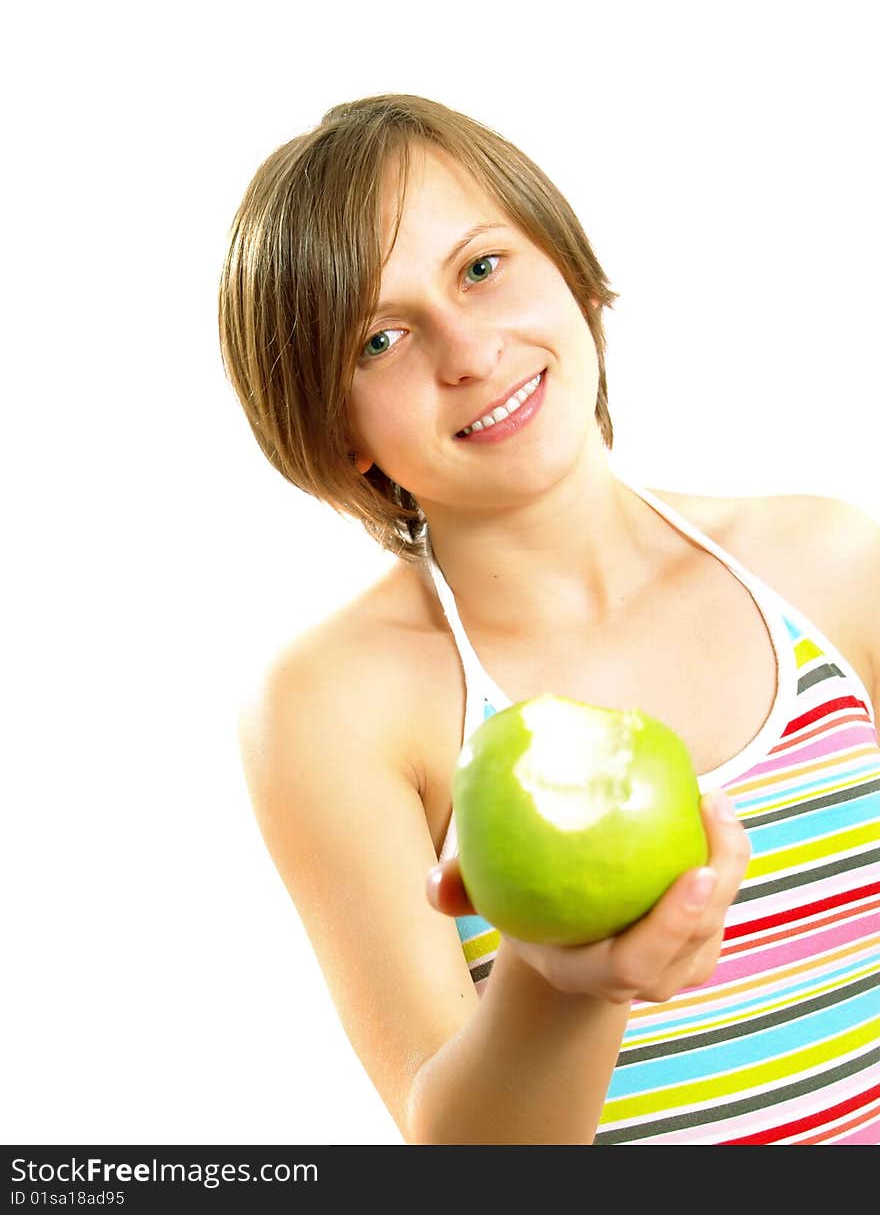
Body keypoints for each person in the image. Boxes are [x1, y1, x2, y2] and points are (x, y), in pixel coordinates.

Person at [218, 93, 880, 1145]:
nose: (469, 351)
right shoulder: (336, 702)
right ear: (336, 430)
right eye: (380, 338)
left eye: (481, 267)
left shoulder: (831, 565)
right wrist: (566, 982)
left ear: (567, 267)